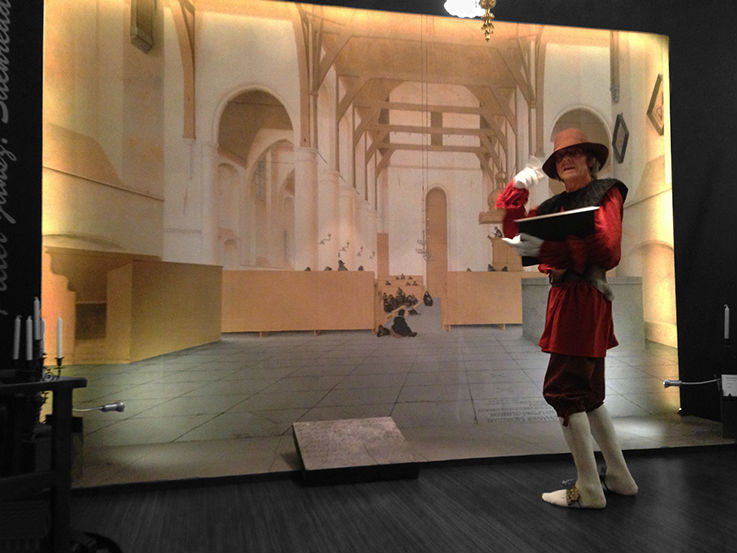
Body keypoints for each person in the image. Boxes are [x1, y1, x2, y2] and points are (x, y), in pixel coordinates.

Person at [497, 128, 638, 509]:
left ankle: (589, 488)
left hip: (583, 298)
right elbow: (519, 236)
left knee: (563, 391)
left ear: (591, 159)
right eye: (560, 157)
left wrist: (558, 250)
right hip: (567, 298)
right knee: (588, 394)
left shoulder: (606, 192)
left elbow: (607, 249)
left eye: (574, 153)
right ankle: (619, 477)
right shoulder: (554, 205)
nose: (566, 160)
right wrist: (517, 192)